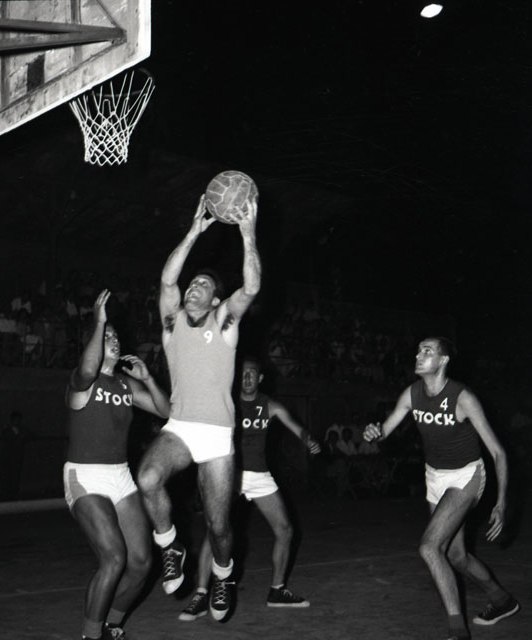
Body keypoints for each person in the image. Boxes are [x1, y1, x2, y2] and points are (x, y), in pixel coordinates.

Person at [137, 193, 261, 622]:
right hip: (180, 426)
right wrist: (193, 232)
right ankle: (170, 545)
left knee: (219, 526)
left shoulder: (224, 322)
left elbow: (251, 288)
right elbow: (167, 281)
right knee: (148, 477)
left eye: (204, 286)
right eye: (193, 284)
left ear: (214, 300)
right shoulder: (172, 322)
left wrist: (248, 234)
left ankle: (223, 576)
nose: (194, 288)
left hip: (217, 436)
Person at [363, 336, 520, 640]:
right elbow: (384, 432)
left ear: (444, 360)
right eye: (418, 350)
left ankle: (457, 631)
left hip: (466, 476)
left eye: (428, 351)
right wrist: (374, 432)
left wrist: (501, 502)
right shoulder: (411, 394)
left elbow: (498, 452)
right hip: (434, 477)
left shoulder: (463, 398)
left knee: (429, 547)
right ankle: (502, 600)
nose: (419, 355)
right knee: (457, 556)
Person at [179, 356, 321, 622]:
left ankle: (277, 591)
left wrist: (308, 440)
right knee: (215, 531)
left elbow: (296, 427)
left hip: (260, 475)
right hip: (229, 475)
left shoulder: (270, 405)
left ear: (260, 378)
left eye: (252, 374)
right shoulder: (228, 402)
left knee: (286, 530)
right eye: (243, 374)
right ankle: (200, 595)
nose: (247, 378)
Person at [64, 289, 170, 640]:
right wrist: (100, 321)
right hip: (85, 476)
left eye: (114, 336)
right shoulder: (81, 381)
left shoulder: (125, 385)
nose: (113, 339)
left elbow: (166, 411)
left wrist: (148, 378)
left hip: (120, 476)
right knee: (113, 558)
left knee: (141, 563)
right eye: (106, 336)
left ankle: (111, 626)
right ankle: (90, 635)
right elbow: (88, 367)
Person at [0, 410, 32, 500]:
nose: (18, 421)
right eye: (16, 419)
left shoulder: (23, 430)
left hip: (17, 457)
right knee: (8, 477)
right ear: (12, 420)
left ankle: (13, 495)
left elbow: (31, 435)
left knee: (15, 477)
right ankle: (7, 495)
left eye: (19, 419)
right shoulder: (7, 431)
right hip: (8, 457)